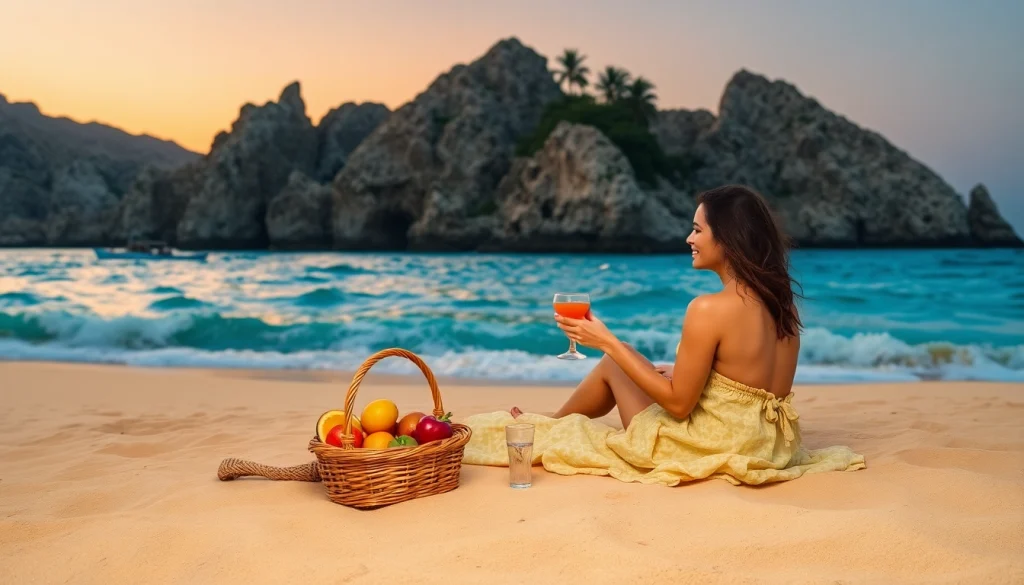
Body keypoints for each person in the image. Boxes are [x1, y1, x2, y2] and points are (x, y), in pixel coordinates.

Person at [462, 184, 865, 486]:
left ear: (726, 239)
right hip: (769, 444)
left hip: (712, 444)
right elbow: (755, 386)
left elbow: (678, 406)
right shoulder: (782, 306)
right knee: (635, 360)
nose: (689, 239)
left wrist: (607, 341)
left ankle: (551, 423)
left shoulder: (708, 308)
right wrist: (679, 368)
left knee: (613, 361)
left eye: (697, 230)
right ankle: (552, 420)